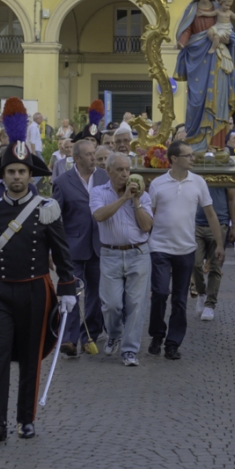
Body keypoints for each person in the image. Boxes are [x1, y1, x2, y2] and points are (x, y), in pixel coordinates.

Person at [0, 108, 80, 443]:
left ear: (31, 175)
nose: (17, 177)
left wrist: (68, 288)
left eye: (22, 172)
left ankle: (25, 419)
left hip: (36, 292)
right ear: (3, 174)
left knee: (31, 356)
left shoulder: (47, 208)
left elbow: (61, 253)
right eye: (12, 171)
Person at [147, 140, 221, 360]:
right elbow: (148, 216)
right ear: (174, 159)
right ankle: (157, 334)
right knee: (160, 293)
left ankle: (173, 343)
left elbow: (210, 214)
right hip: (159, 247)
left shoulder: (198, 182)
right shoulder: (158, 184)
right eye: (188, 155)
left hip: (186, 248)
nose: (192, 158)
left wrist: (219, 243)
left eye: (192, 155)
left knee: (180, 298)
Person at [89, 150, 154, 366]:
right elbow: (98, 216)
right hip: (110, 254)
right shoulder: (98, 192)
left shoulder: (143, 195)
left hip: (138, 253)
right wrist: (123, 198)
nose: (125, 174)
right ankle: (114, 333)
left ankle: (129, 351)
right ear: (108, 172)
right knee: (111, 304)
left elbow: (146, 226)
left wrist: (134, 200)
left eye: (127, 170)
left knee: (136, 303)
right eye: (120, 170)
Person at [52, 137, 104, 358]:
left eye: (94, 153)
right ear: (76, 158)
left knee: (97, 294)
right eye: (89, 154)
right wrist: (52, 251)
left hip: (100, 245)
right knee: (70, 293)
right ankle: (69, 339)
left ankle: (89, 335)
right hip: (72, 247)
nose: (93, 157)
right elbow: (55, 219)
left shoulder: (103, 177)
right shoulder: (63, 181)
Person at [191, 178, 235, 324]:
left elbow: (232, 198)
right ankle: (202, 292)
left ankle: (210, 304)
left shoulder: (224, 172)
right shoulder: (194, 170)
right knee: (195, 263)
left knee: (216, 265)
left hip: (220, 221)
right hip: (196, 222)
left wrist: (234, 225)